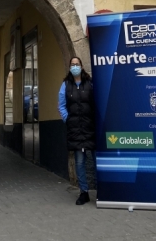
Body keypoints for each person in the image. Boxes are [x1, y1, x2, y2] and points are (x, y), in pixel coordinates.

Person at [58, 56, 96, 205]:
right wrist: (67, 119)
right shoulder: (65, 85)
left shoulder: (90, 82)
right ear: (69, 67)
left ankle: (102, 191)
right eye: (72, 64)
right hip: (75, 129)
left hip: (91, 127)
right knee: (80, 162)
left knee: (96, 160)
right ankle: (84, 192)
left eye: (77, 64)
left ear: (81, 66)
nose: (75, 66)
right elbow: (61, 104)